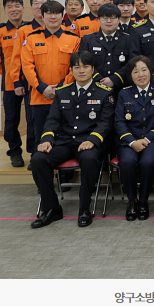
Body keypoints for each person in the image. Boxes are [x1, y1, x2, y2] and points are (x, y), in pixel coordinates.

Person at [30, 51, 114, 228]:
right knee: (38, 159)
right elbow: (52, 120)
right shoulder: (62, 92)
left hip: (89, 142)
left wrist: (93, 139)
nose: (81, 71)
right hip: (65, 142)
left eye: (85, 67)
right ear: (72, 70)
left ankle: (84, 208)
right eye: (77, 67)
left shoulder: (104, 93)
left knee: (89, 159)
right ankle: (52, 208)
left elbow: (105, 122)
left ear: (93, 69)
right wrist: (47, 140)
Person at [114, 55, 154, 221]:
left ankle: (143, 201)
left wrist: (147, 139)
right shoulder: (124, 94)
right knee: (127, 162)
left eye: (144, 70)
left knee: (148, 162)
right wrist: (132, 142)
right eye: (135, 71)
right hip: (128, 142)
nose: (140, 74)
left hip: (153, 141)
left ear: (151, 72)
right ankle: (132, 201)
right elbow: (119, 122)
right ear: (130, 75)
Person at [20, 0, 81, 150]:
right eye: (49, 13)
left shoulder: (74, 39)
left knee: (65, 135)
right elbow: (27, 66)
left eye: (56, 13)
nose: (53, 17)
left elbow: (75, 68)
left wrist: (60, 89)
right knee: (40, 135)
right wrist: (42, 88)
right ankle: (38, 160)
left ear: (62, 16)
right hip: (40, 97)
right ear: (42, 16)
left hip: (67, 96)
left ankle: (63, 164)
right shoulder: (31, 39)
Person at [9, 0, 50, 161]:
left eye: (43, 3)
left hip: (55, 83)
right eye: (35, 3)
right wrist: (17, 81)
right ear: (31, 7)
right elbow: (16, 58)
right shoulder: (24, 30)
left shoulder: (58, 27)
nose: (39, 6)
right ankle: (35, 154)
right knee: (33, 119)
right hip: (32, 83)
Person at [0, 0, 26, 167]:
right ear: (4, 10)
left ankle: (36, 151)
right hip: (10, 84)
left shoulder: (30, 29)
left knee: (34, 118)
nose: (14, 9)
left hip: (30, 82)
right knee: (11, 120)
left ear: (23, 8)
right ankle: (15, 152)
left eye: (17, 6)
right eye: (10, 7)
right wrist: (9, 74)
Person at [79, 3, 131, 89]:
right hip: (94, 87)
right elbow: (83, 63)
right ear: (99, 20)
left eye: (112, 18)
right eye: (105, 18)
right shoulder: (87, 40)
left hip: (121, 88)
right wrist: (99, 80)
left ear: (119, 20)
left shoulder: (128, 39)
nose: (109, 21)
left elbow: (131, 63)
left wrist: (114, 79)